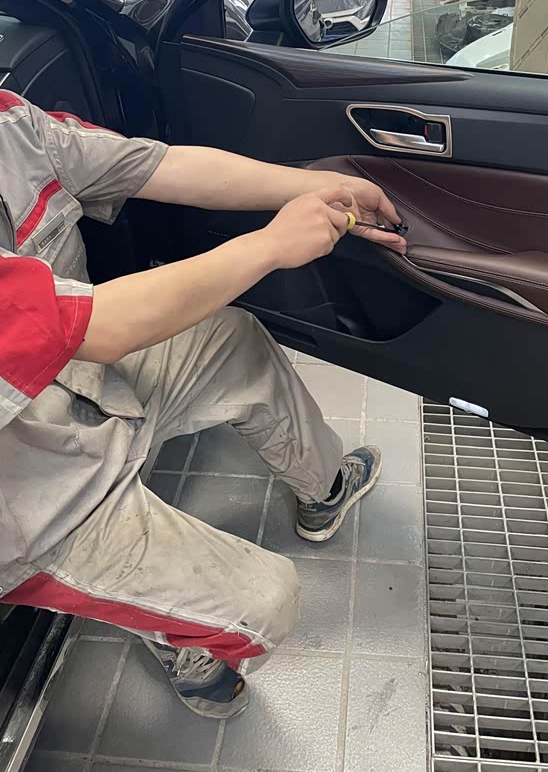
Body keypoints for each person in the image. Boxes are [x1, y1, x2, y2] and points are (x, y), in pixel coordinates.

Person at [0, 89, 407, 720]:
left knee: (232, 341)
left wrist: (321, 186)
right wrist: (270, 245)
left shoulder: (11, 123)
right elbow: (101, 326)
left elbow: (164, 165)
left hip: (85, 381)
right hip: (28, 496)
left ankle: (325, 488)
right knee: (267, 602)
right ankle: (181, 642)